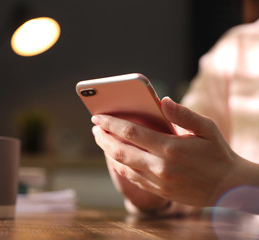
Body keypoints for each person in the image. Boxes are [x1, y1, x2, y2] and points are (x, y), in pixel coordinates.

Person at [91, 1, 259, 217]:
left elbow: (219, 180)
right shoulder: (236, 49)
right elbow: (196, 173)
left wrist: (235, 182)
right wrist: (158, 195)